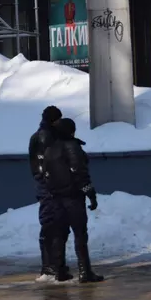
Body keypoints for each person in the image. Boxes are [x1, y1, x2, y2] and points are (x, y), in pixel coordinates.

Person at [41, 118, 104, 283]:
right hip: (73, 198)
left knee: (60, 235)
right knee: (80, 234)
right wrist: (90, 193)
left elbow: (45, 176)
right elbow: (80, 174)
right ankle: (85, 271)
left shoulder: (49, 150)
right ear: (71, 131)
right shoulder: (72, 147)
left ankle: (60, 271)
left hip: (56, 198)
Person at [28, 105, 69, 278]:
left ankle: (53, 263)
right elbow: (46, 164)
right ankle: (50, 265)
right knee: (51, 224)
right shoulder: (47, 137)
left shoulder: (41, 136)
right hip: (50, 187)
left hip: (47, 186)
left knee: (53, 224)